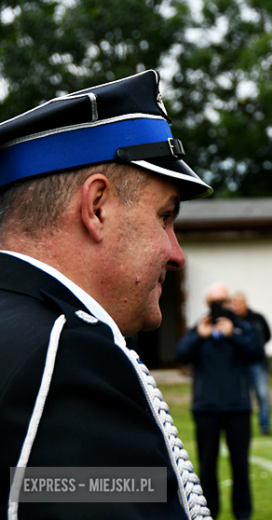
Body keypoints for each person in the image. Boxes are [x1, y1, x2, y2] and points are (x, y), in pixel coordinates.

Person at [0, 70, 213, 519]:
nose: (176, 254)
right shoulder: (66, 355)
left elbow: (43, 494)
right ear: (97, 207)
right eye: (165, 217)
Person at [175, 282, 262, 520]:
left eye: (223, 300)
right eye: (215, 302)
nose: (220, 306)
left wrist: (232, 334)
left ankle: (242, 513)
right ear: (207, 304)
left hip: (238, 406)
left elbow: (257, 353)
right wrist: (199, 337)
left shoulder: (241, 327)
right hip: (206, 408)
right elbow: (180, 354)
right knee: (207, 465)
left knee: (240, 465)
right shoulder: (199, 328)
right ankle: (208, 512)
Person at [232, 290, 272, 435]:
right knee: (243, 397)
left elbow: (268, 335)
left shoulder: (257, 318)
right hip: (239, 364)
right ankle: (244, 427)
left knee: (263, 395)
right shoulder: (231, 321)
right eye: (233, 303)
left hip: (257, 363)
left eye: (238, 302)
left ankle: (265, 426)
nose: (235, 306)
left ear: (245, 303)